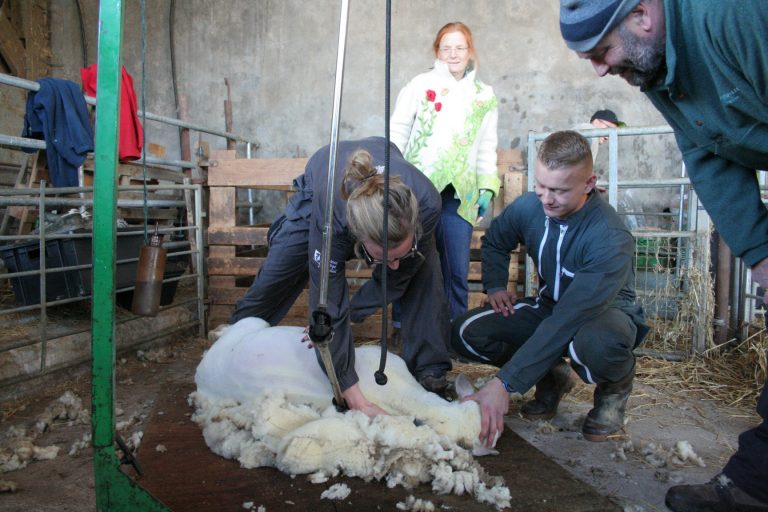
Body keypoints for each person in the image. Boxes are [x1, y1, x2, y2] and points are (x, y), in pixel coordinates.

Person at [559, 1, 768, 510]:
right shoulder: (660, 73)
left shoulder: (734, 17)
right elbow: (705, 154)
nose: (600, 68)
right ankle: (755, 483)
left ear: (642, 14)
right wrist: (760, 253)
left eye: (602, 50)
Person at [451, 130, 647, 448]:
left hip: (602, 315)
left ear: (588, 184)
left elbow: (571, 316)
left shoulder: (608, 236)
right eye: (540, 186)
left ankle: (613, 392)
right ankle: (552, 376)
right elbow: (497, 238)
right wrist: (496, 284)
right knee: (466, 332)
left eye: (558, 190)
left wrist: (505, 383)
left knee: (596, 344)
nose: (546, 198)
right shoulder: (533, 206)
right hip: (551, 305)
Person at [230, 137, 452, 414]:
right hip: (322, 189)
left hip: (389, 178)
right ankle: (233, 344)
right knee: (280, 270)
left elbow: (399, 275)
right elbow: (327, 299)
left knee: (423, 267)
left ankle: (430, 370)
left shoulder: (427, 203)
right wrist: (353, 393)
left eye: (398, 254)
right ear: (357, 238)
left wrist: (350, 313)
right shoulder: (332, 222)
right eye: (383, 259)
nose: (392, 265)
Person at [390, 21, 500, 323]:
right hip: (417, 189)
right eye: (446, 47)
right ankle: (404, 327)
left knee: (455, 267)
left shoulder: (484, 95)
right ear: (437, 50)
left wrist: (487, 189)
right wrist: (391, 174)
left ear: (470, 50)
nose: (453, 53)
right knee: (409, 259)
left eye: (459, 47)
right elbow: (398, 129)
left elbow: (487, 144)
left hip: (459, 193)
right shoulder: (419, 85)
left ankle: (454, 331)